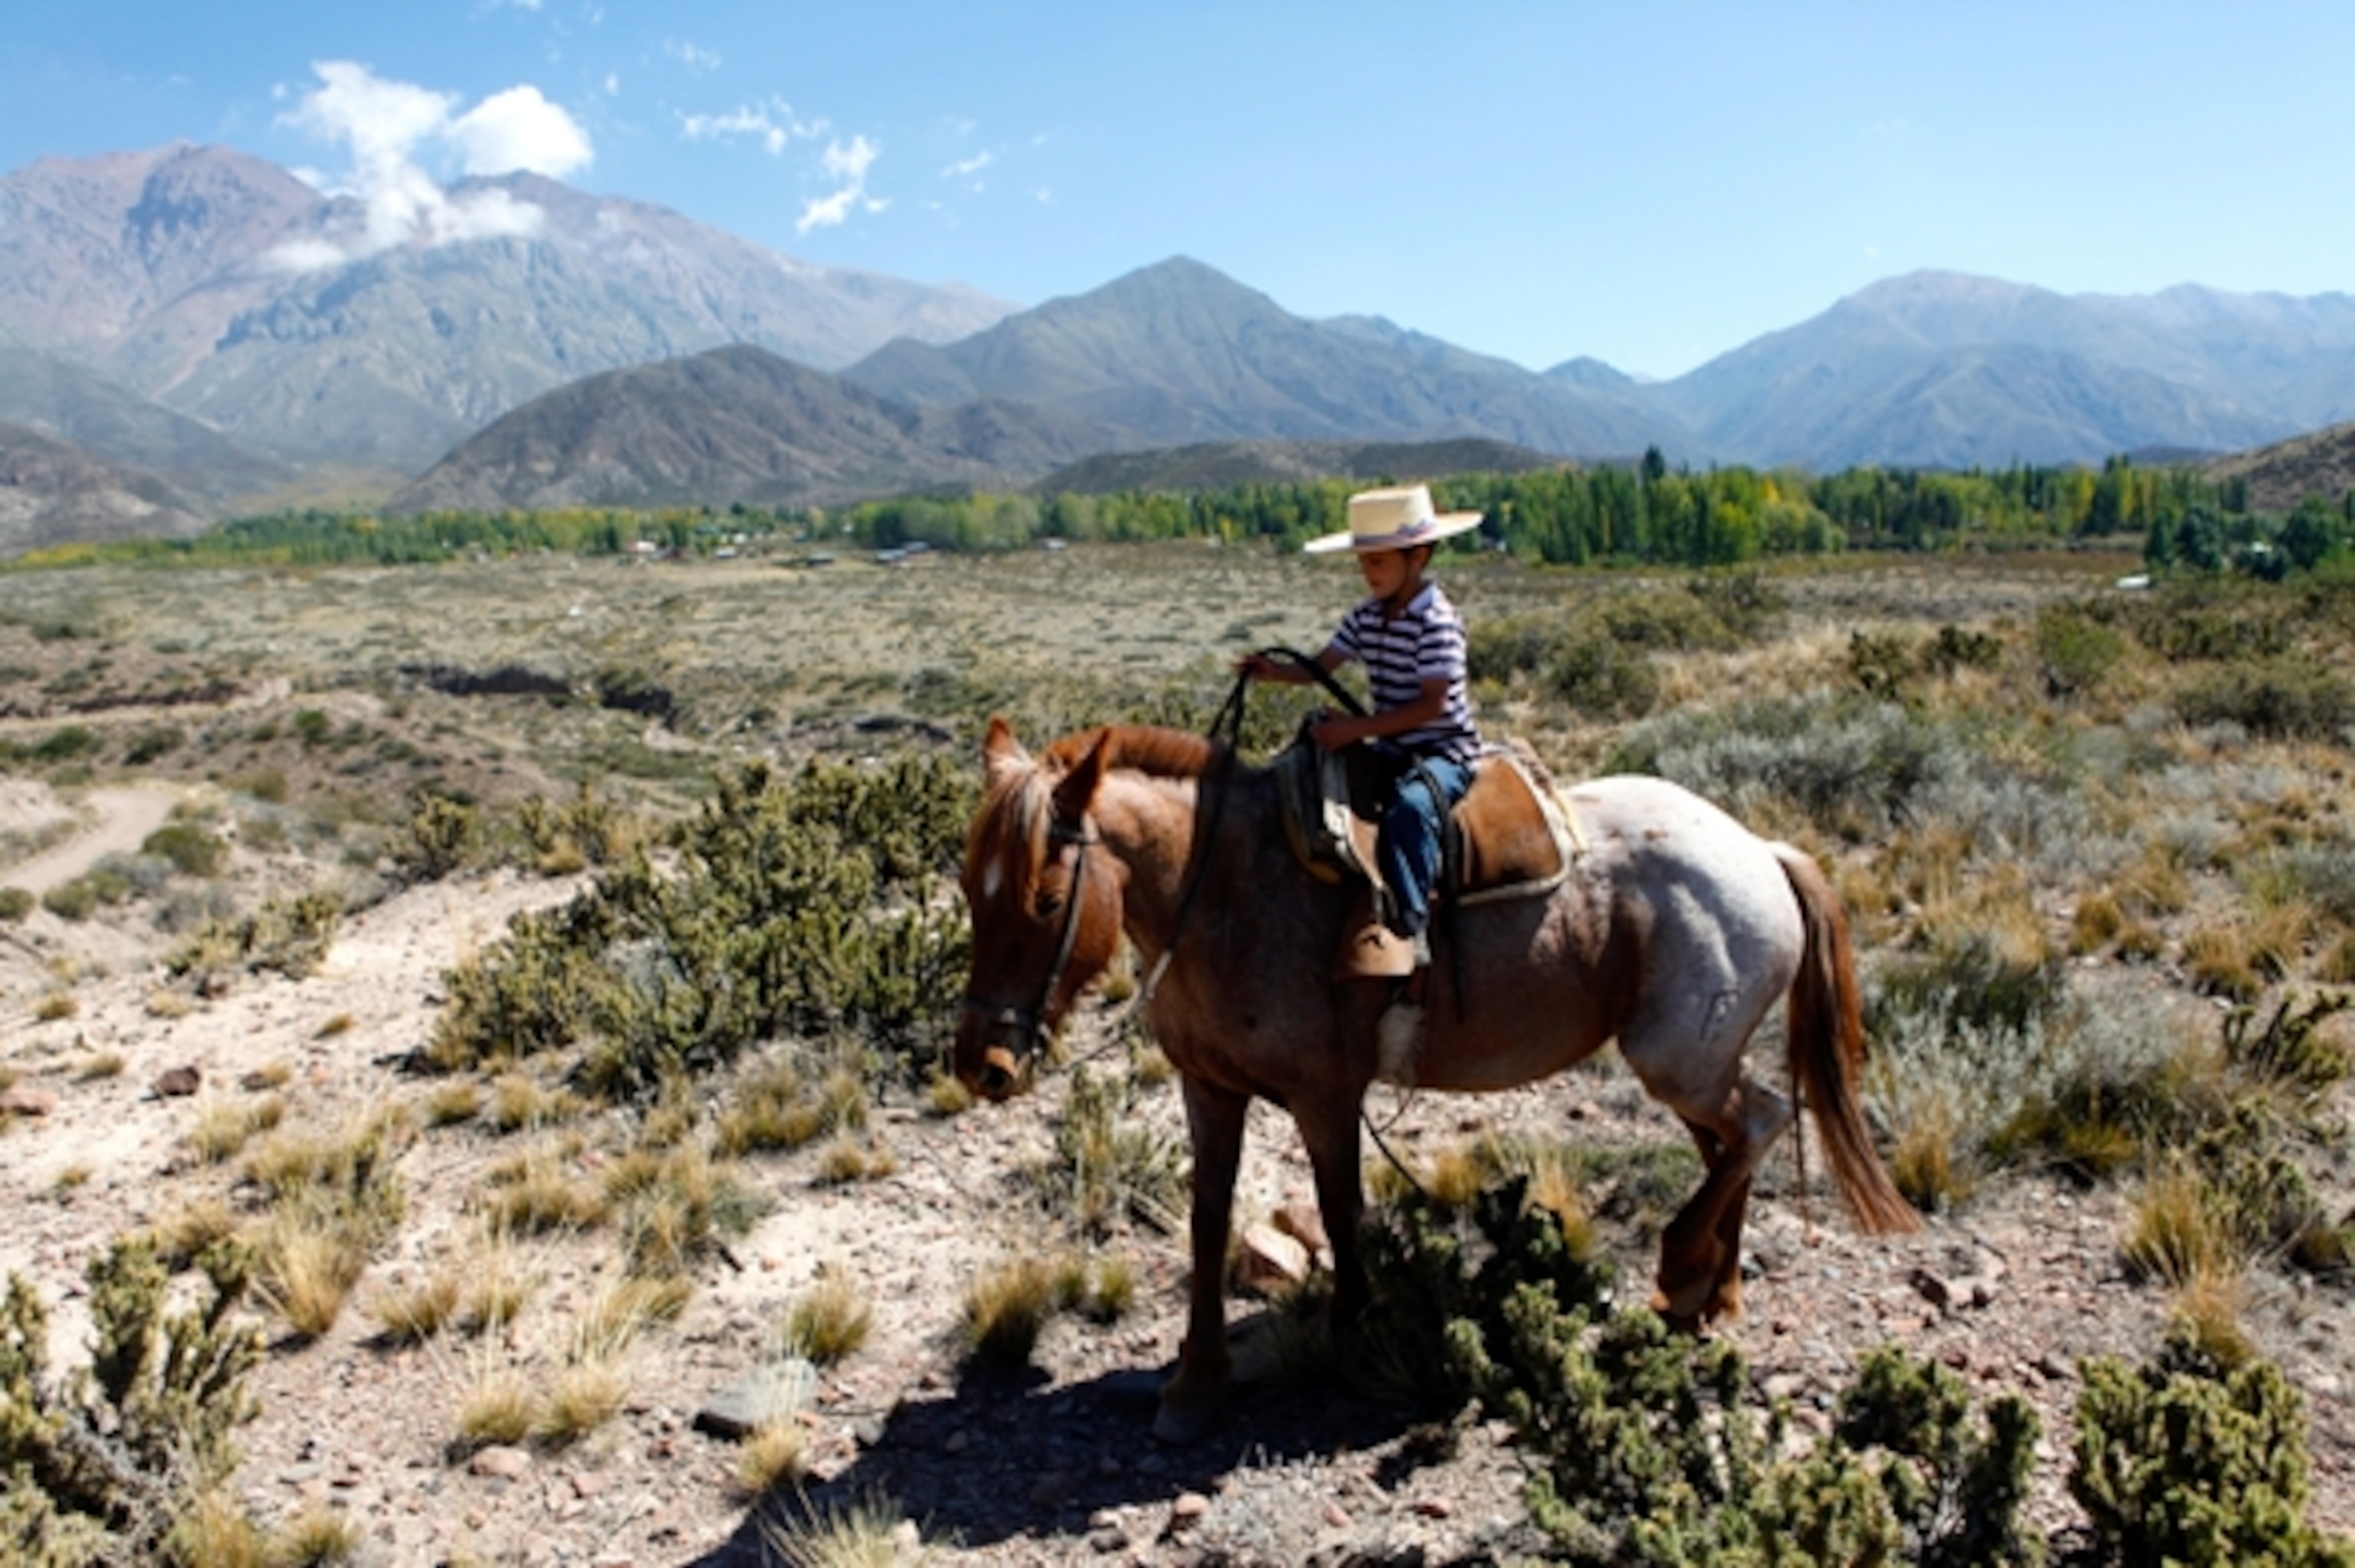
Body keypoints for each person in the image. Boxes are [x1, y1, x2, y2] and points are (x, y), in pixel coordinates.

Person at [1240, 483, 1484, 960]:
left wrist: (1355, 730)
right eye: (1363, 562)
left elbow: (1432, 706)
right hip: (1391, 746)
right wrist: (1273, 673)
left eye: (1378, 561)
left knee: (1410, 812)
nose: (1367, 573)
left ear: (1418, 556)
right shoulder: (1366, 617)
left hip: (1443, 751)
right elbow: (1322, 666)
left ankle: (1414, 935)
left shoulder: (1436, 621)